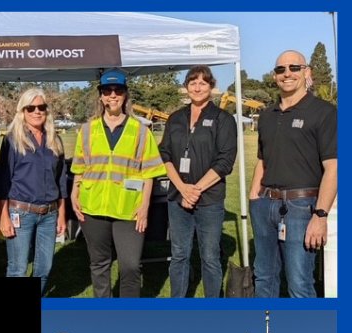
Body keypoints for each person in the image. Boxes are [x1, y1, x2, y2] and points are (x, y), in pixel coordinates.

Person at [71, 69, 167, 297]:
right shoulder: (86, 130)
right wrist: (74, 194)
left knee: (131, 266)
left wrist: (144, 208)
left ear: (125, 95)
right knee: (99, 264)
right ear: (101, 95)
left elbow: (150, 174)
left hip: (129, 210)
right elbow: (79, 169)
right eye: (107, 90)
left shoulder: (141, 132)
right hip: (93, 208)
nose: (112, 95)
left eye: (117, 90)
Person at [250, 50, 337, 298]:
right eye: (280, 69)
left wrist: (320, 215)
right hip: (265, 204)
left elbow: (334, 168)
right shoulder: (267, 115)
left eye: (294, 68)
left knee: (299, 283)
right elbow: (262, 160)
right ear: (274, 76)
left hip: (302, 207)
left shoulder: (324, 112)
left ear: (306, 72)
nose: (287, 73)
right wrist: (254, 198)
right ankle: (264, 327)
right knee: (263, 277)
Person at [159, 66, 237, 298]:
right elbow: (164, 155)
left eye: (203, 83)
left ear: (211, 87)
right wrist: (182, 189)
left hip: (209, 200)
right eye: (192, 82)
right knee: (180, 254)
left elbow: (225, 162)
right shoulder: (175, 118)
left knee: (210, 256)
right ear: (186, 87)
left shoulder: (223, 119)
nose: (197, 87)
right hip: (177, 198)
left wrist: (195, 190)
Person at [0, 87, 67, 291]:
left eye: (41, 107)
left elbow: (60, 181)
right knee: (18, 269)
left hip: (49, 214)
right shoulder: (12, 140)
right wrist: (4, 216)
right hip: (20, 212)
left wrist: (62, 214)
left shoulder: (55, 140)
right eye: (31, 108)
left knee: (44, 268)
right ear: (23, 112)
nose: (37, 112)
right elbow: (3, 180)